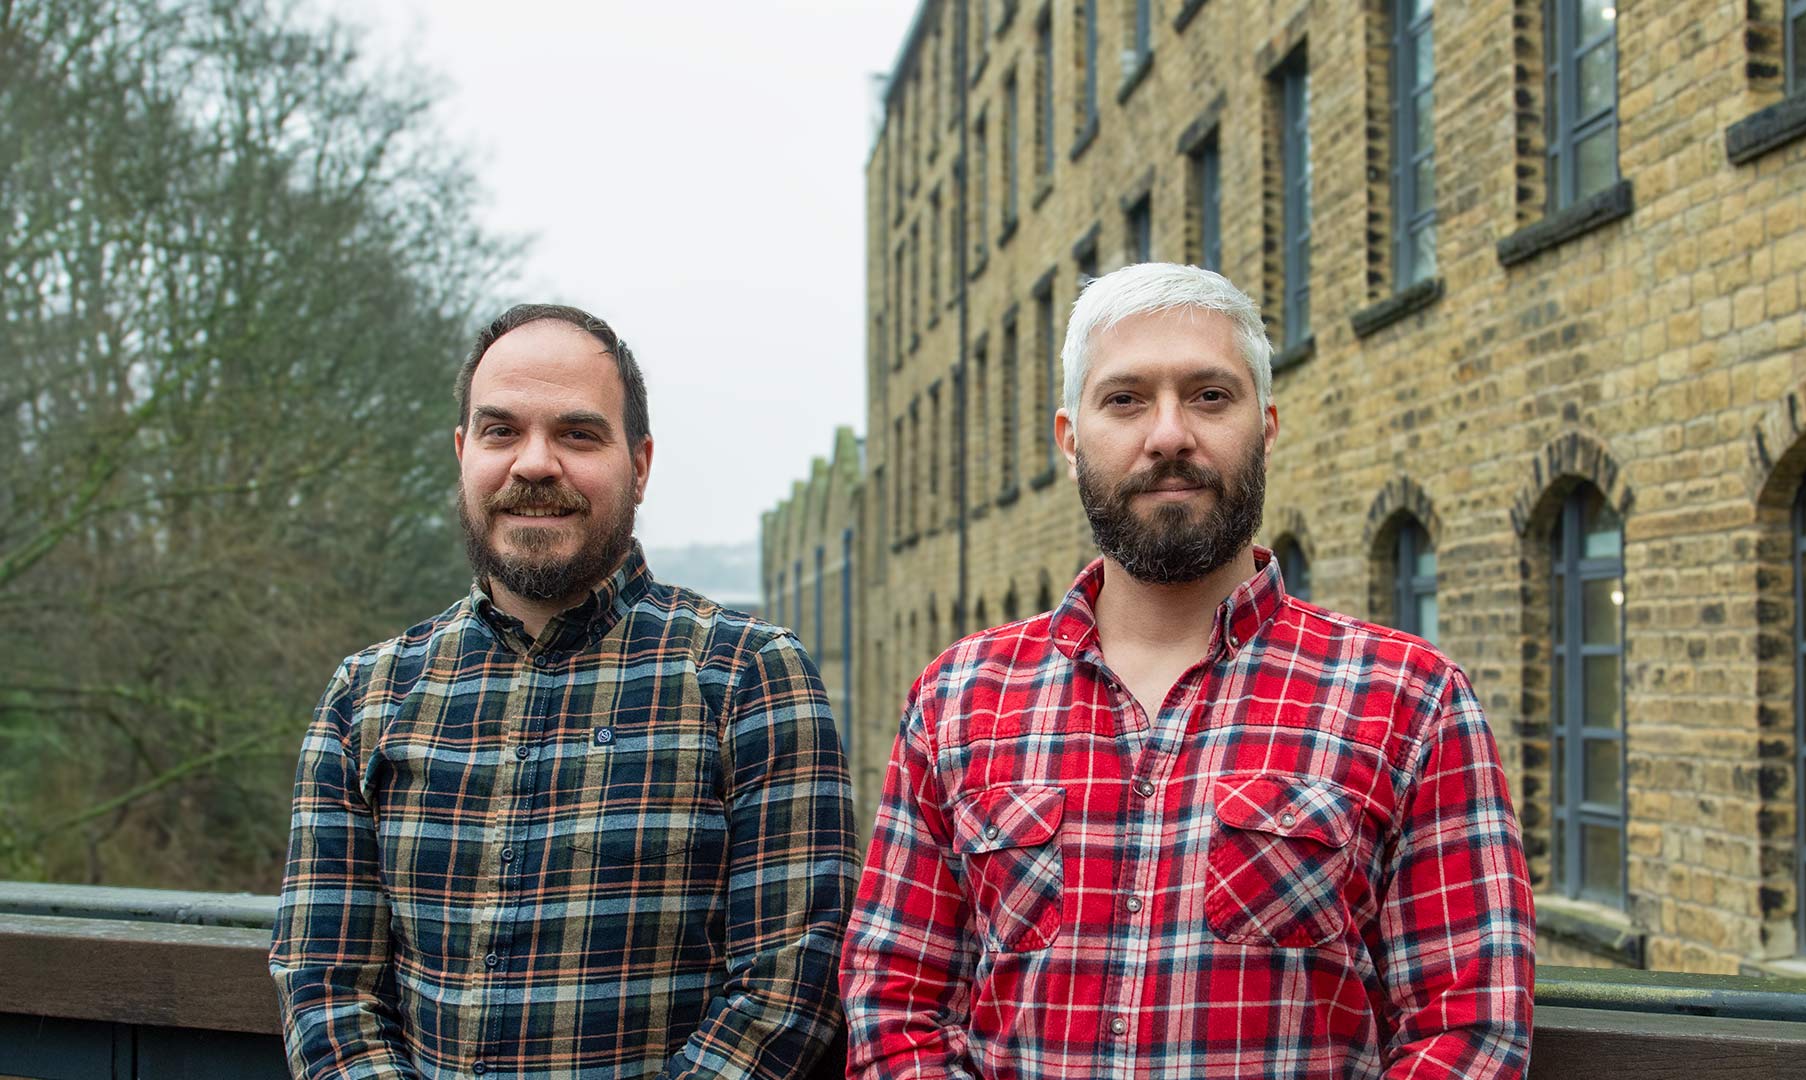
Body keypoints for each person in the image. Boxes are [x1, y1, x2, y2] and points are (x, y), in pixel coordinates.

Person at [841, 264, 1534, 1079]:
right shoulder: (958, 700)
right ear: (1070, 440)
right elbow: (895, 1007)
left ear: (1266, 427)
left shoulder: (1411, 700)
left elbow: (1469, 1030)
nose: (1169, 434)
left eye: (1209, 396)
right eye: (1125, 399)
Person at [270, 304, 854, 1080]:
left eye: (577, 434)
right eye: (501, 431)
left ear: (639, 464)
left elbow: (787, 992)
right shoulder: (366, 698)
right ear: (463, 454)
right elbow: (326, 989)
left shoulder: (749, 678)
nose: (535, 464)